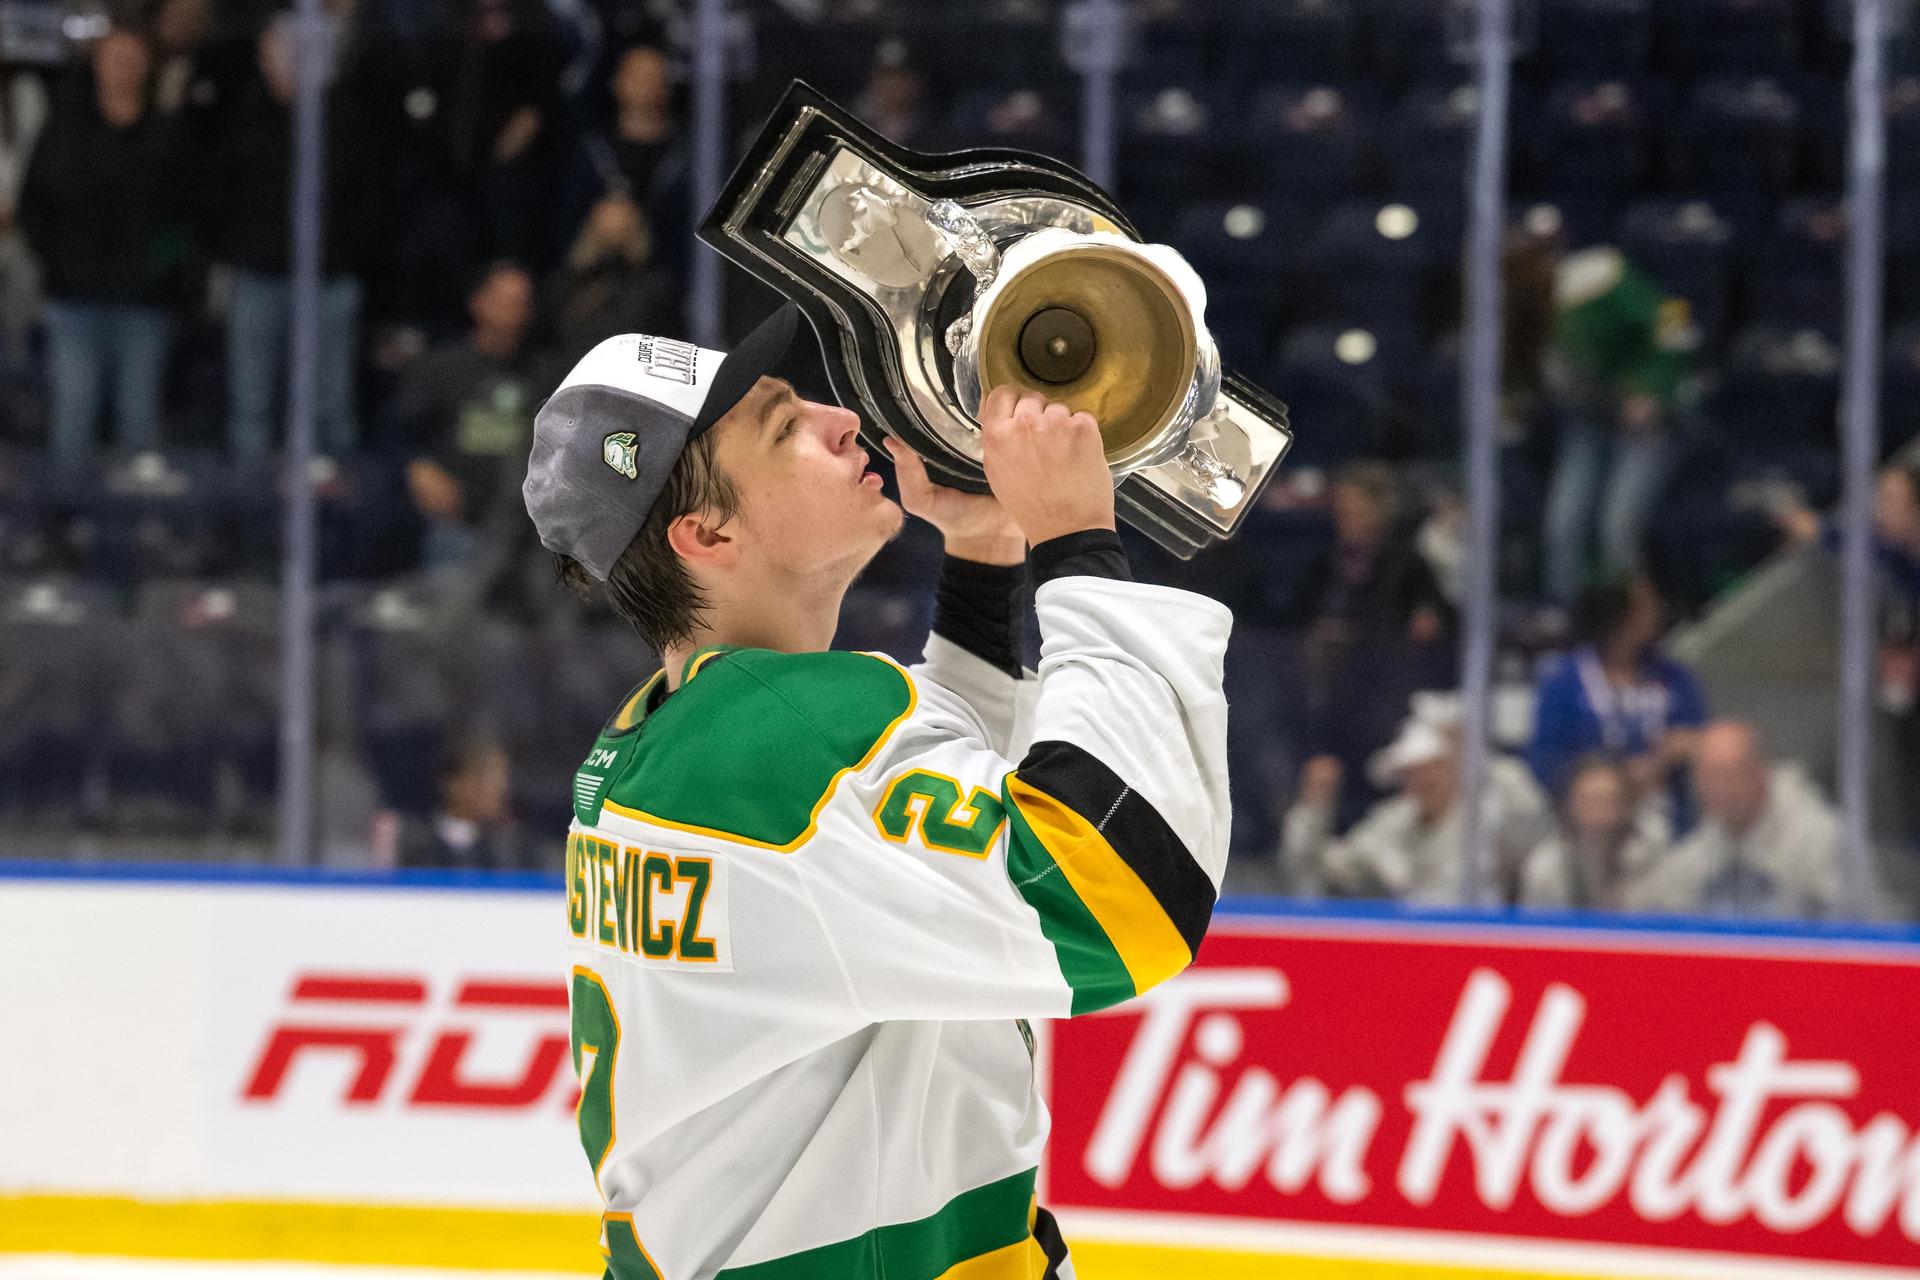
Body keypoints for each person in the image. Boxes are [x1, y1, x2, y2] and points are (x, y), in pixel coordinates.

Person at [524, 306, 1230, 1276]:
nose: (840, 417)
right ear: (707, 531)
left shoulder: (669, 737)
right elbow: (1118, 893)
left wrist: (983, 554)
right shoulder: (793, 736)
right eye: (784, 426)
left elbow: (902, 859)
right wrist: (1078, 542)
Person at [19, 30, 189, 467]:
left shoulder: (166, 134)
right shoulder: (64, 130)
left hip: (143, 303)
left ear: (147, 67)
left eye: (132, 59)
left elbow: (185, 215)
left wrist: (161, 270)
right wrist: (57, 262)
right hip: (73, 298)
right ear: (98, 65)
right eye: (114, 58)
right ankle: (65, 523)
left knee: (140, 420)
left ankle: (144, 524)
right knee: (73, 414)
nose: (122, 68)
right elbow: (34, 205)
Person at [219, 16, 380, 459]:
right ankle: (252, 511)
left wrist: (345, 255)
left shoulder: (348, 120)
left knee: (331, 406)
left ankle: (333, 516)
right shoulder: (246, 114)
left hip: (329, 281)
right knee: (251, 406)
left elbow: (365, 198)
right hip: (258, 276)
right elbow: (223, 191)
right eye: (278, 53)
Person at [1522, 241, 1697, 605]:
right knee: (1563, 527)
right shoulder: (1516, 309)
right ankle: (1569, 624)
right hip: (1587, 420)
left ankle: (1629, 626)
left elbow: (1675, 316)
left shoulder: (1598, 281)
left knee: (1616, 529)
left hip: (1642, 424)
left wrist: (1652, 390)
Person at [1289, 460, 1453, 827]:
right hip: (1330, 694)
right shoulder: (1323, 566)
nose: (1348, 519)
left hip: (1384, 700)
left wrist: (1423, 622)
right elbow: (1296, 620)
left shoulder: (1408, 567)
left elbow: (1433, 623)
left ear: (1381, 511)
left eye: (1358, 510)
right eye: (1343, 511)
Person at [1282, 713, 1551, 905]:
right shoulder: (1391, 823)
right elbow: (1319, 867)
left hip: (1476, 944)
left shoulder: (1488, 813)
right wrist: (1313, 812)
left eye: (1432, 768)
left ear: (1453, 766)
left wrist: (1477, 755)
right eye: (1411, 773)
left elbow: (1534, 821)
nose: (1423, 780)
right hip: (1404, 950)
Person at [398, 261, 543, 572]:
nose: (513, 311)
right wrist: (417, 468)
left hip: (525, 530)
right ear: (478, 303)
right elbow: (399, 433)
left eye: (521, 302)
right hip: (456, 523)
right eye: (505, 301)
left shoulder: (545, 372)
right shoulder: (441, 367)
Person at [1527, 573, 1707, 811]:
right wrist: (1617, 775)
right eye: (1647, 607)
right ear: (1619, 617)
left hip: (1669, 808)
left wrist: (1686, 744)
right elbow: (1546, 760)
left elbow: (1702, 733)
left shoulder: (1673, 676)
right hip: (1594, 815)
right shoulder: (1563, 683)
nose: (1658, 612)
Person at [1634, 721, 1847, 919]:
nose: (1721, 787)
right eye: (1710, 776)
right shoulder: (1695, 851)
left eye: (1731, 773)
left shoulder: (1821, 836)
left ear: (1760, 771)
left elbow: (1848, 927)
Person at [1516, 753, 1672, 911]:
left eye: (1607, 800)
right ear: (1570, 805)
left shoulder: (1652, 857)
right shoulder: (1546, 866)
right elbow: (1535, 928)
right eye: (1589, 801)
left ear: (1626, 804)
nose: (1599, 812)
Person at [393, 731, 535, 870]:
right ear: (453, 783)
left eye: (501, 778)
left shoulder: (515, 848)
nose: (499, 789)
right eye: (485, 777)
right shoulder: (413, 843)